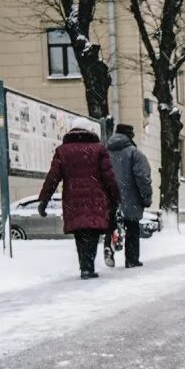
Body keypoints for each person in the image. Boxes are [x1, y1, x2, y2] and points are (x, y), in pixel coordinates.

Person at [38, 117, 121, 280]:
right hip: (96, 200)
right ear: (90, 130)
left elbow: (53, 177)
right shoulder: (99, 150)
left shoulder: (62, 151)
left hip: (73, 200)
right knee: (92, 232)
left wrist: (44, 199)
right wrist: (115, 196)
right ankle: (88, 266)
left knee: (80, 233)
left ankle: (84, 266)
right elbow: (109, 176)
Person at [103, 124, 153, 268]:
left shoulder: (105, 153)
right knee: (132, 229)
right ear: (130, 135)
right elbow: (143, 177)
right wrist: (146, 197)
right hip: (131, 198)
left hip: (110, 197)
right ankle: (131, 259)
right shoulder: (134, 154)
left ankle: (109, 245)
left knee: (112, 224)